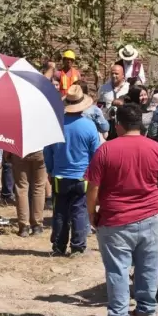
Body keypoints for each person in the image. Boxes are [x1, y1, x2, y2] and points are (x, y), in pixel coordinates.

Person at [86, 103, 158, 316]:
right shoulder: (156, 149)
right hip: (150, 216)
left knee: (118, 269)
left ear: (118, 124)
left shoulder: (106, 150)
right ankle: (146, 311)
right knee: (148, 266)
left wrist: (91, 212)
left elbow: (93, 187)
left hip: (115, 219)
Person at [44, 85, 102, 256]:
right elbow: (95, 153)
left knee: (60, 212)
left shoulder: (56, 124)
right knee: (79, 212)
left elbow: (48, 151)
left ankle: (58, 246)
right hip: (81, 177)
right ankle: (77, 246)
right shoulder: (89, 126)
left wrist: (50, 170)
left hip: (59, 176)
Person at [10, 149, 47, 237]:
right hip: (40, 152)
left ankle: (24, 227)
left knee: (21, 188)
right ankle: (37, 226)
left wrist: (8, 153)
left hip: (19, 151)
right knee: (39, 188)